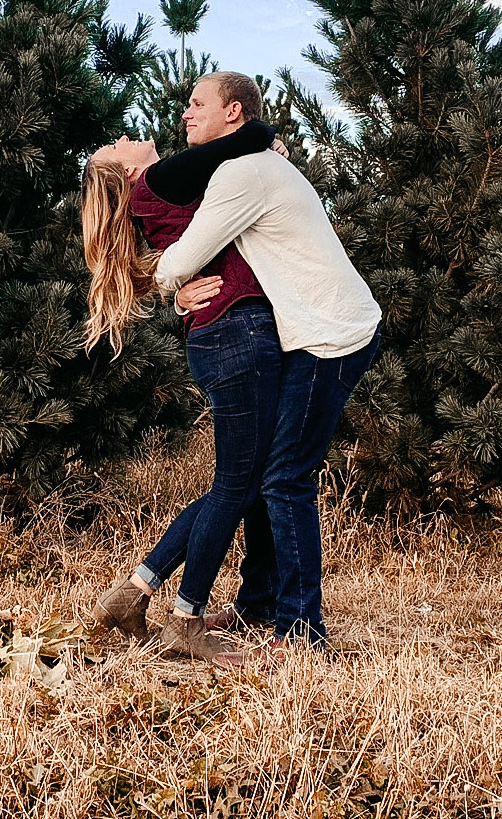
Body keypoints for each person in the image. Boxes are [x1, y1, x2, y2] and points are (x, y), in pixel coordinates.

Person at [154, 92, 382, 663]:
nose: (186, 113)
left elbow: (179, 261)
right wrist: (183, 297)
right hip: (312, 330)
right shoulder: (254, 164)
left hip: (329, 337)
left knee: (284, 480)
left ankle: (302, 630)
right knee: (262, 475)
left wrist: (172, 283)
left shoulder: (242, 174)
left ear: (233, 112)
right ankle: (258, 603)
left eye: (198, 103)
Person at [81, 73, 287, 662]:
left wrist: (175, 289)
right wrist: (267, 140)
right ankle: (185, 616)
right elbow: (244, 142)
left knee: (246, 482)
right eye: (116, 145)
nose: (126, 136)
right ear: (124, 171)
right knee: (238, 484)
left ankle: (137, 592)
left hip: (224, 333)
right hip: (238, 333)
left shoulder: (162, 189)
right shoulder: (158, 179)